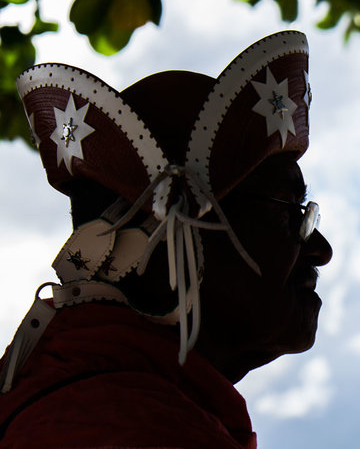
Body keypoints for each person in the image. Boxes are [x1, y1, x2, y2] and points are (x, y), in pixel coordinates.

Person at [0, 30, 332, 448]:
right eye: (290, 212)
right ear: (159, 234)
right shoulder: (113, 424)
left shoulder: (97, 403)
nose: (321, 250)